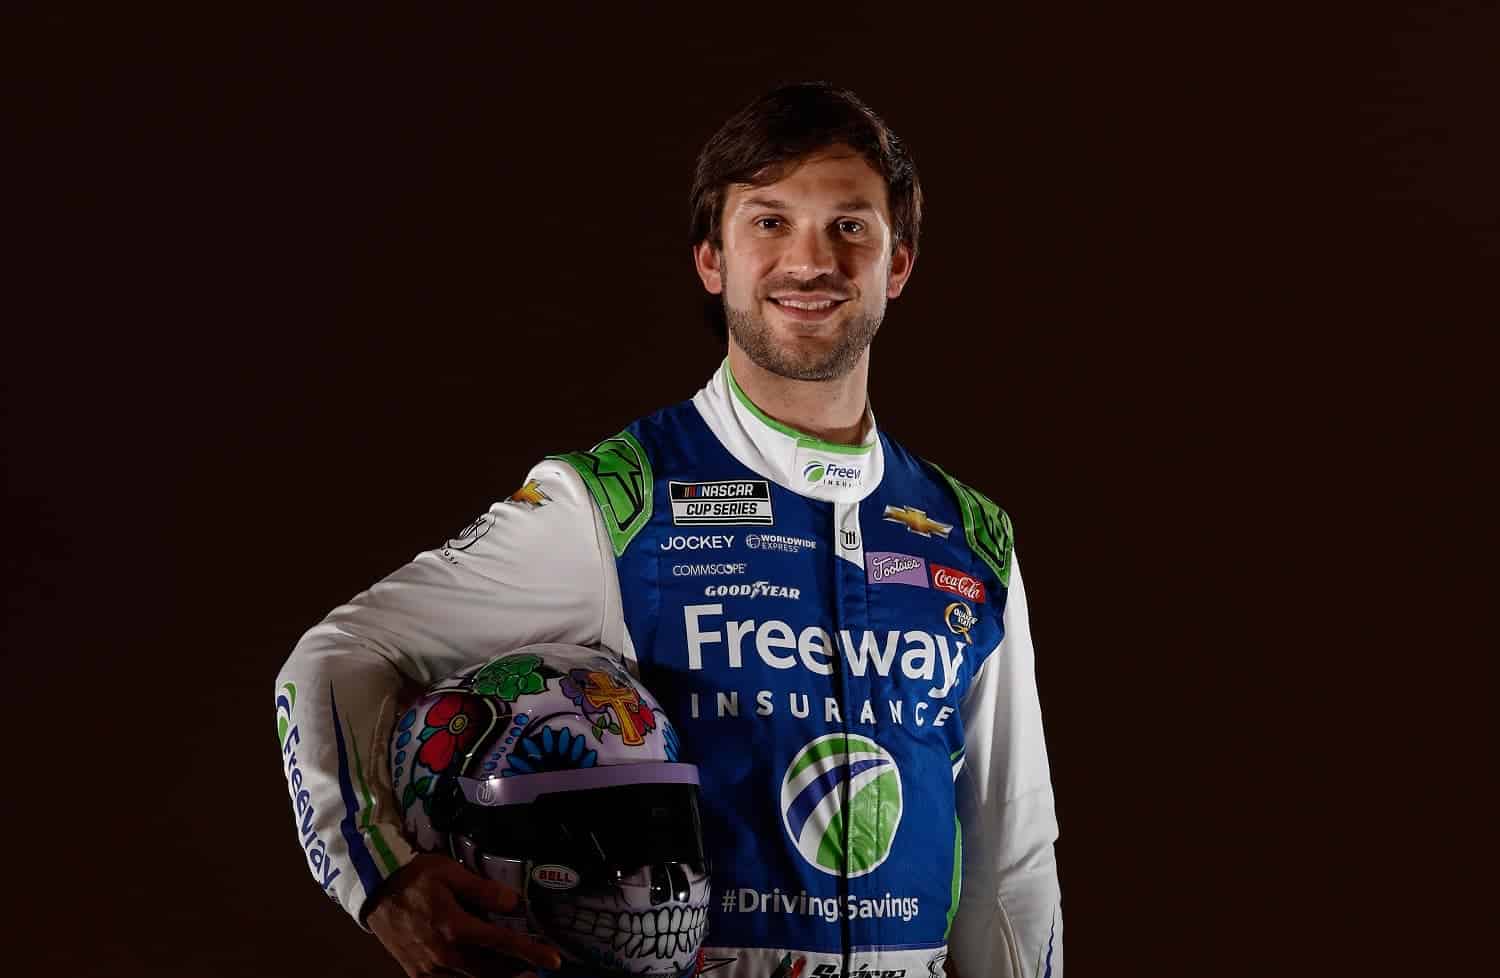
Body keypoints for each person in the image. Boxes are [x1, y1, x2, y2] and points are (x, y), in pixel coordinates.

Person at [274, 81, 1063, 978]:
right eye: (769, 223)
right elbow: (341, 651)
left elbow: (1014, 861)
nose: (811, 262)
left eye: (850, 226)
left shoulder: (970, 537)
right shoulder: (615, 501)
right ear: (711, 261)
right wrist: (376, 873)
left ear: (900, 264)